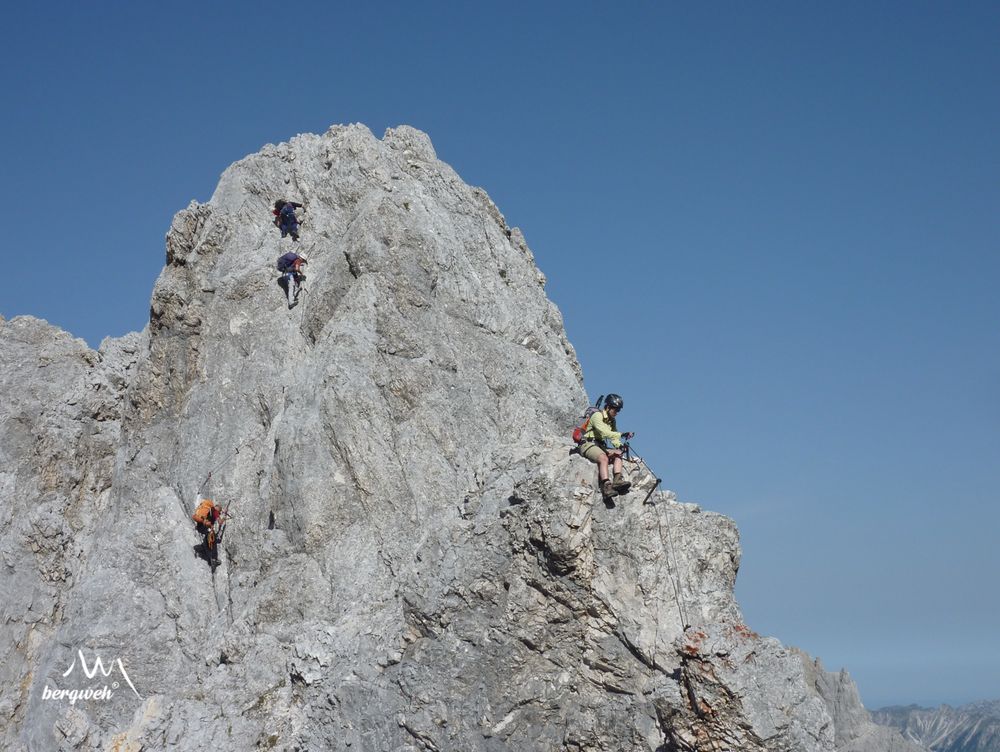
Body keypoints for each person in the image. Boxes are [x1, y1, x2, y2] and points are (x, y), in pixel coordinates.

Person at [578, 393, 635, 500]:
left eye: (618, 410)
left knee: (618, 454)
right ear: (608, 407)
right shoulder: (597, 416)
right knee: (603, 458)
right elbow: (604, 433)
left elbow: (613, 436)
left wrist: (619, 445)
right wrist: (622, 435)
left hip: (599, 445)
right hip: (587, 444)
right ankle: (606, 486)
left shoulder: (612, 420)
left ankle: (617, 480)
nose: (617, 413)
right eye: (615, 410)